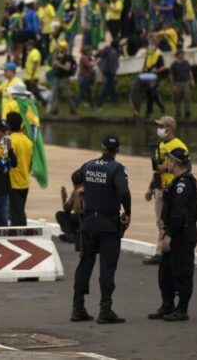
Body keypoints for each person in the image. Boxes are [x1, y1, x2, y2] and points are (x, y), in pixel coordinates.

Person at [70, 135, 131, 324]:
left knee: (85, 264)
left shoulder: (89, 165)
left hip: (88, 223)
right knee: (107, 268)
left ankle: (77, 308)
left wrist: (82, 189)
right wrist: (127, 212)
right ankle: (105, 309)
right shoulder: (117, 169)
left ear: (102, 147)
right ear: (117, 151)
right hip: (108, 225)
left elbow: (75, 177)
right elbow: (123, 191)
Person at [148, 148, 197, 322]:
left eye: (168, 161)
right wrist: (163, 228)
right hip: (172, 232)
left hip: (182, 234)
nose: (166, 164)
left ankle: (182, 308)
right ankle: (167, 304)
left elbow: (179, 213)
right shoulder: (176, 182)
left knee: (182, 271)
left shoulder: (183, 184)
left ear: (174, 162)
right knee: (165, 271)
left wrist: (168, 234)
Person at [143, 116, 188, 265]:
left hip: (173, 187)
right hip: (160, 188)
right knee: (160, 220)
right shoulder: (160, 145)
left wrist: (168, 168)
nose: (159, 129)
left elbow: (186, 167)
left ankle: (165, 250)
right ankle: (162, 249)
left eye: (162, 126)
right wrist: (151, 187)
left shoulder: (179, 145)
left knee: (171, 219)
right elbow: (157, 169)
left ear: (170, 128)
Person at [7, 112, 33, 226]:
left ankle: (20, 236)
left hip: (13, 182)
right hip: (25, 182)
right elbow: (30, 163)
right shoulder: (28, 141)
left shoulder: (9, 140)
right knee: (20, 210)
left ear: (8, 125)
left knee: (16, 213)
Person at [49, 41, 77, 116]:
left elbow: (67, 68)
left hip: (64, 78)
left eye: (62, 48)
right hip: (58, 77)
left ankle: (73, 109)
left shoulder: (68, 57)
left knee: (66, 95)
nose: (61, 49)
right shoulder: (59, 56)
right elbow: (54, 67)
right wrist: (55, 63)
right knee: (56, 94)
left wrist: (59, 65)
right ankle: (54, 110)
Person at [55, 178, 84, 244]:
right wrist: (64, 198)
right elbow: (67, 209)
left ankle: (70, 235)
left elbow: (76, 210)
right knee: (61, 214)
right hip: (85, 219)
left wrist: (76, 195)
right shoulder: (76, 191)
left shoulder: (77, 191)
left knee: (61, 215)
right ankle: (71, 235)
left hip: (83, 218)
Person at [169, 49, 194, 119]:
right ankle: (177, 114)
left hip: (186, 83)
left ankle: (187, 113)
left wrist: (192, 80)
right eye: (181, 54)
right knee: (177, 100)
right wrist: (173, 85)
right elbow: (171, 75)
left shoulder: (186, 63)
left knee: (187, 98)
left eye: (183, 54)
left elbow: (189, 71)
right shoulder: (174, 64)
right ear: (177, 56)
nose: (182, 56)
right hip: (177, 83)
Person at [96, 40, 120, 107]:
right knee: (107, 86)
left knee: (111, 86)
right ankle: (100, 102)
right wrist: (114, 73)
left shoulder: (107, 49)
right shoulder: (114, 52)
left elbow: (100, 54)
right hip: (110, 71)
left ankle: (115, 100)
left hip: (104, 69)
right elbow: (113, 64)